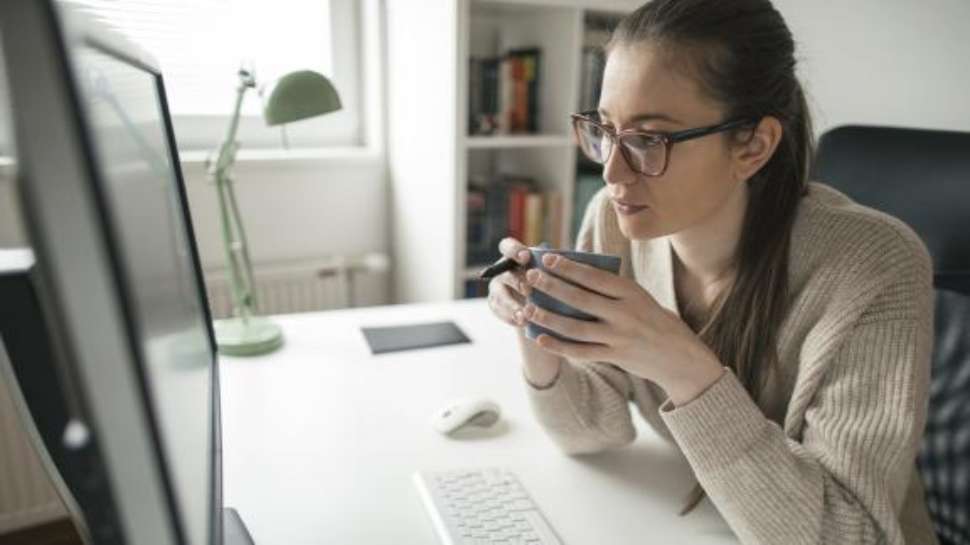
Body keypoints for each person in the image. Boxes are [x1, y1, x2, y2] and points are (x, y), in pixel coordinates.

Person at [485, 1, 939, 543]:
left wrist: (684, 367)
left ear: (752, 145)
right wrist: (538, 332)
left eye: (649, 139)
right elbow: (592, 433)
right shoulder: (612, 218)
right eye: (605, 129)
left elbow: (849, 533)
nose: (611, 171)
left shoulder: (874, 264)